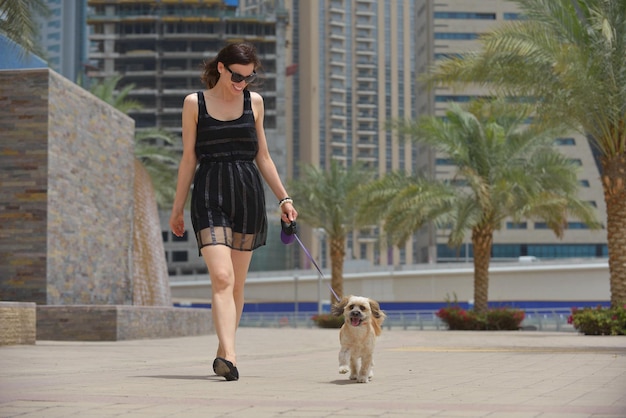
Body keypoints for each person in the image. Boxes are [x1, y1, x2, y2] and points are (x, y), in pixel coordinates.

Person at [169, 42, 297, 381]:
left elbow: (264, 157)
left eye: (249, 77)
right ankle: (231, 355)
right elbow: (188, 158)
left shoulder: (254, 103)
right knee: (222, 277)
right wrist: (177, 208)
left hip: (247, 193)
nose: (243, 83)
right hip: (210, 192)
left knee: (237, 284)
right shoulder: (194, 103)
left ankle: (224, 351)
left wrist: (285, 199)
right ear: (222, 68)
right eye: (237, 76)